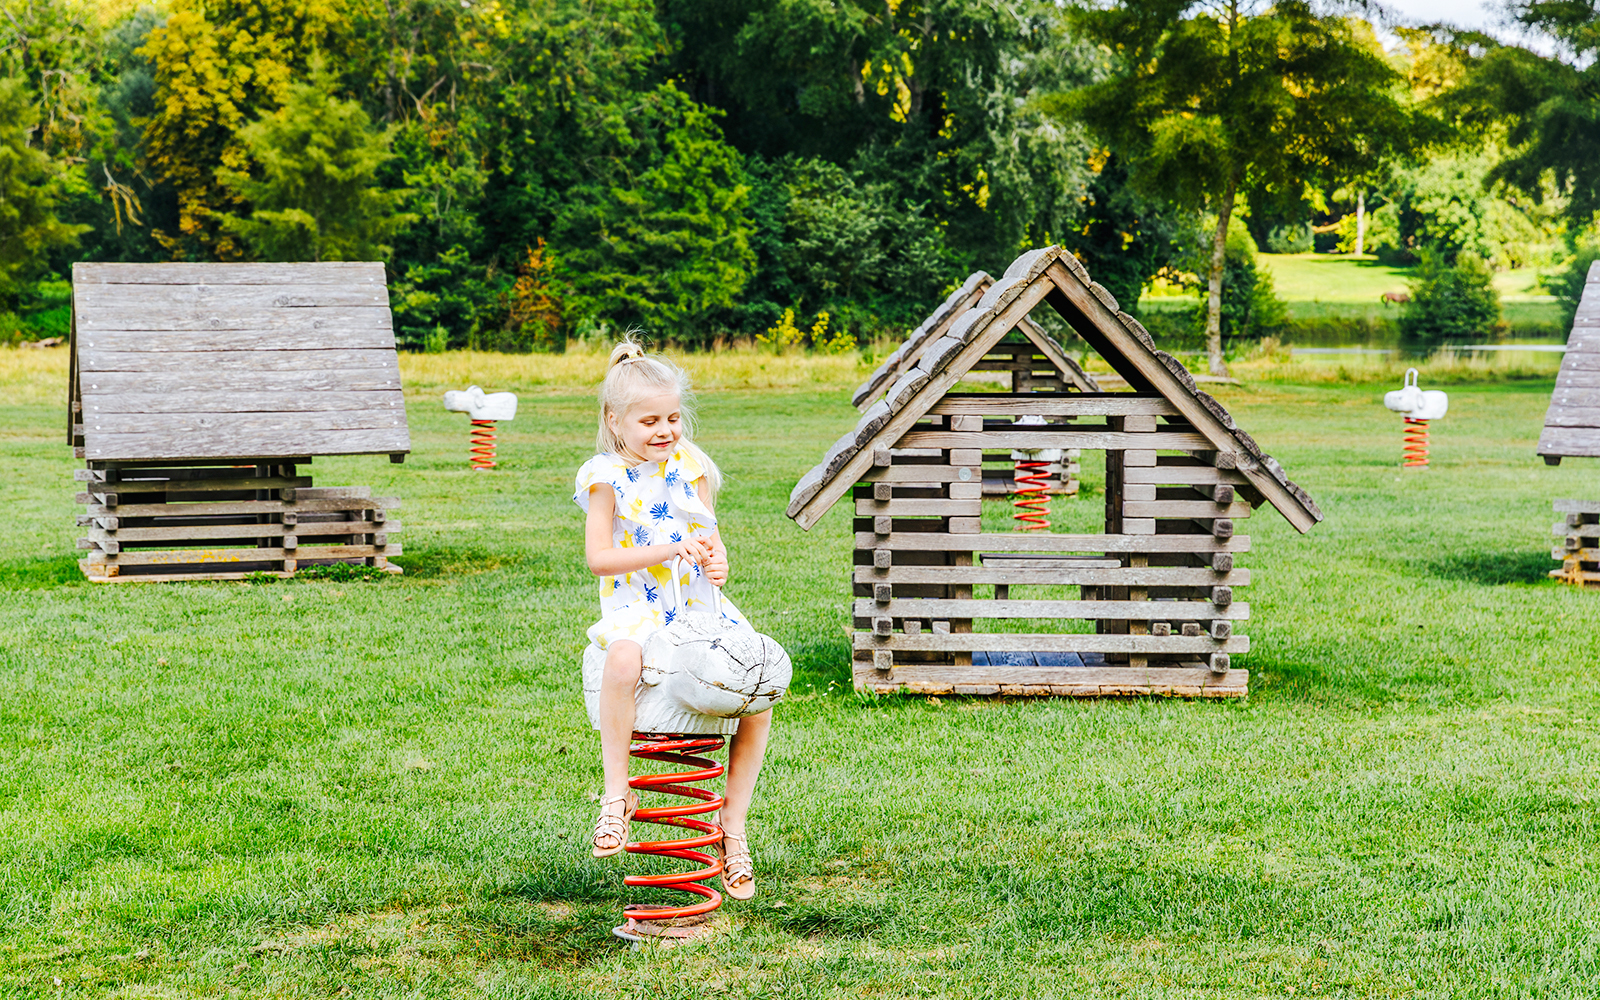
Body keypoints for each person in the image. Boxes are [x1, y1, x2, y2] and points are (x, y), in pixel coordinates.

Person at [571, 337, 772, 900]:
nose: (665, 430)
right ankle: (617, 793)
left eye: (674, 418)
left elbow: (709, 542)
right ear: (615, 422)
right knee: (622, 660)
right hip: (638, 607)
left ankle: (732, 826)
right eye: (650, 420)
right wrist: (666, 547)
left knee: (760, 683)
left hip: (697, 608)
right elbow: (599, 559)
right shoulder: (604, 476)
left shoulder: (692, 468)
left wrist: (717, 558)